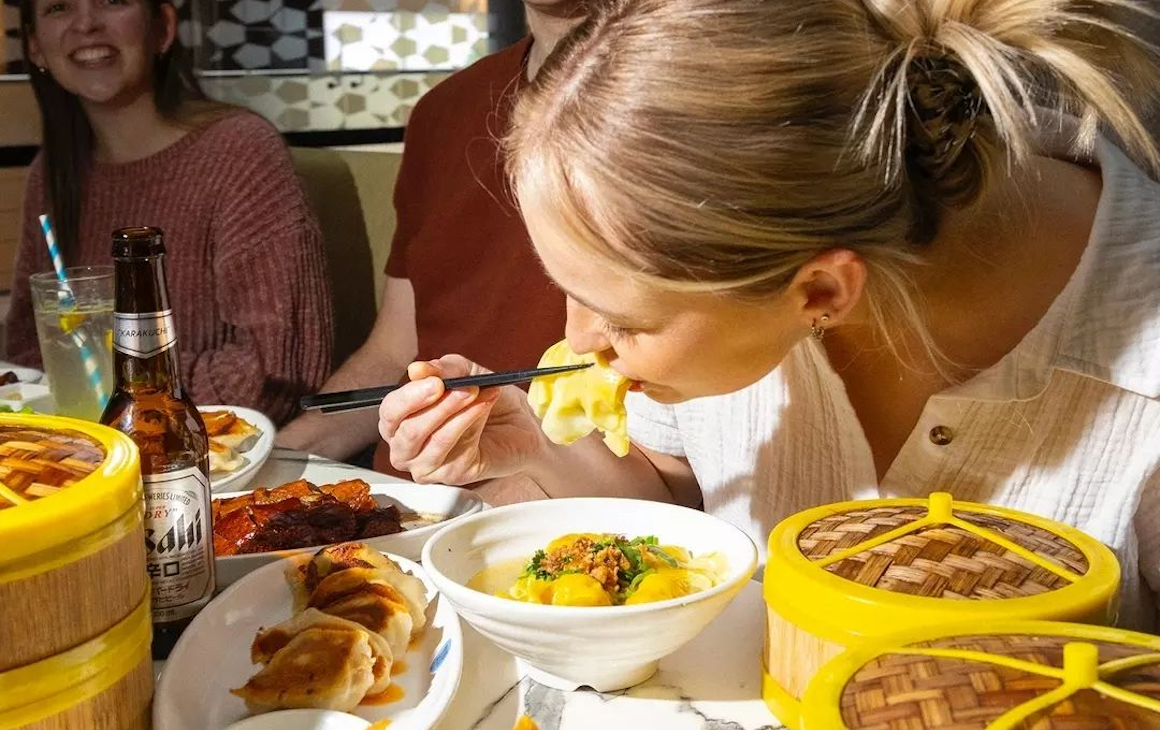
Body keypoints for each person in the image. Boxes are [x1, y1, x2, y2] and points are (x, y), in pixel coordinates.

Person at [376, 0, 1160, 631]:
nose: (579, 345)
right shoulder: (780, 245)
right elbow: (679, 494)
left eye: (622, 322)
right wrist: (537, 450)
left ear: (821, 292)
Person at [276, 1, 579, 501]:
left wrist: (471, 523)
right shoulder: (444, 111)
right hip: (408, 500)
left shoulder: (690, 110)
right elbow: (393, 351)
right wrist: (270, 464)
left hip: (564, 510)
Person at [6, 0, 333, 425]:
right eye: (59, 7)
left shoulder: (240, 153)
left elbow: (276, 375)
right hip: (86, 456)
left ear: (161, 26)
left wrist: (128, 381)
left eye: (113, 1)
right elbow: (26, 355)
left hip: (217, 462)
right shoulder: (51, 175)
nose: (86, 24)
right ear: (35, 46)